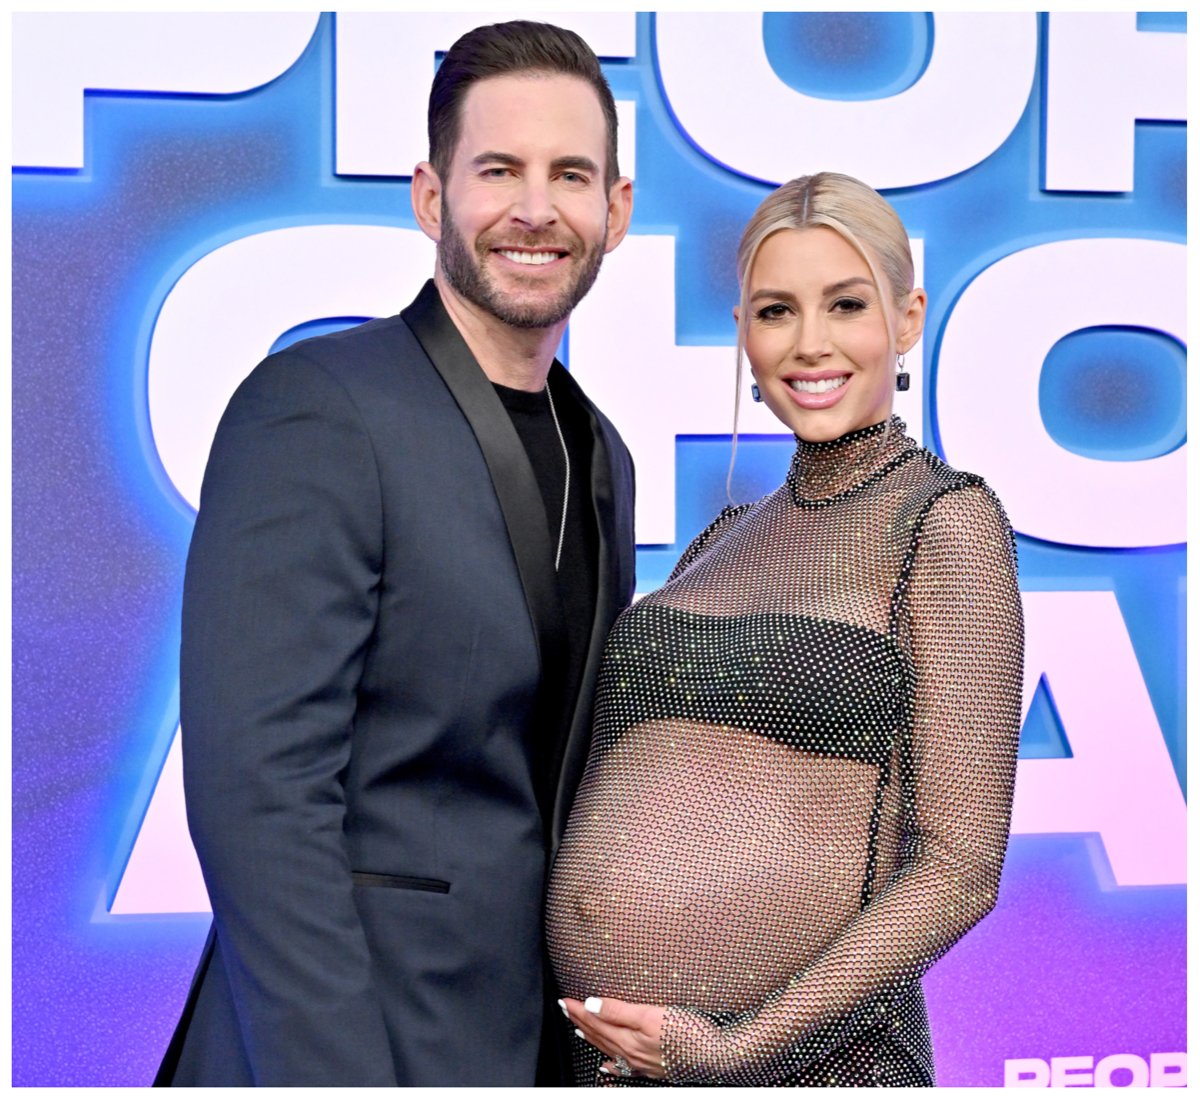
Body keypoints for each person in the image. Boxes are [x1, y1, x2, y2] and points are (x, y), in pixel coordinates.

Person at [154, 20, 635, 1087]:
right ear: (430, 197)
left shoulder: (603, 451)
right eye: (497, 170)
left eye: (570, 175)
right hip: (343, 1045)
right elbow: (260, 797)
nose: (535, 209)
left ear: (617, 210)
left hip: (525, 1047)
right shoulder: (318, 407)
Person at [549, 172, 1023, 1086]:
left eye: (846, 305)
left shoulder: (944, 520)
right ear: (743, 334)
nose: (810, 344)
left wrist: (736, 1050)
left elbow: (961, 869)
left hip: (814, 1066)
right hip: (617, 1066)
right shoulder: (724, 537)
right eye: (776, 311)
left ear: (909, 317)